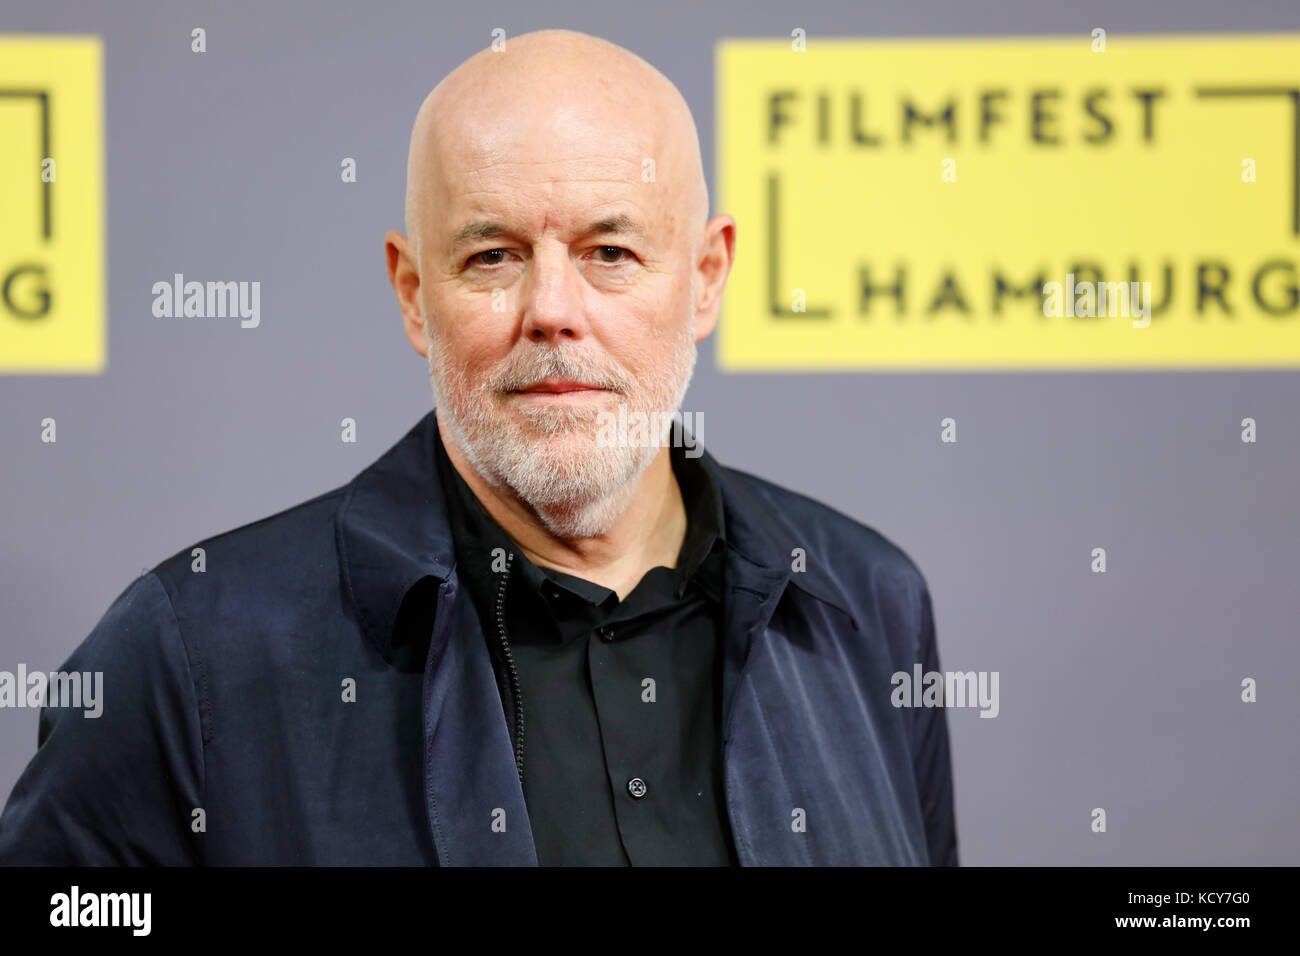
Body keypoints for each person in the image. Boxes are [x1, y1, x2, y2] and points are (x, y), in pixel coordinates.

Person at [0, 28, 956, 866]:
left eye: (609, 253)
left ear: (705, 280)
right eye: (492, 255)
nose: (551, 312)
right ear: (414, 293)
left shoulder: (869, 606)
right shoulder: (193, 657)